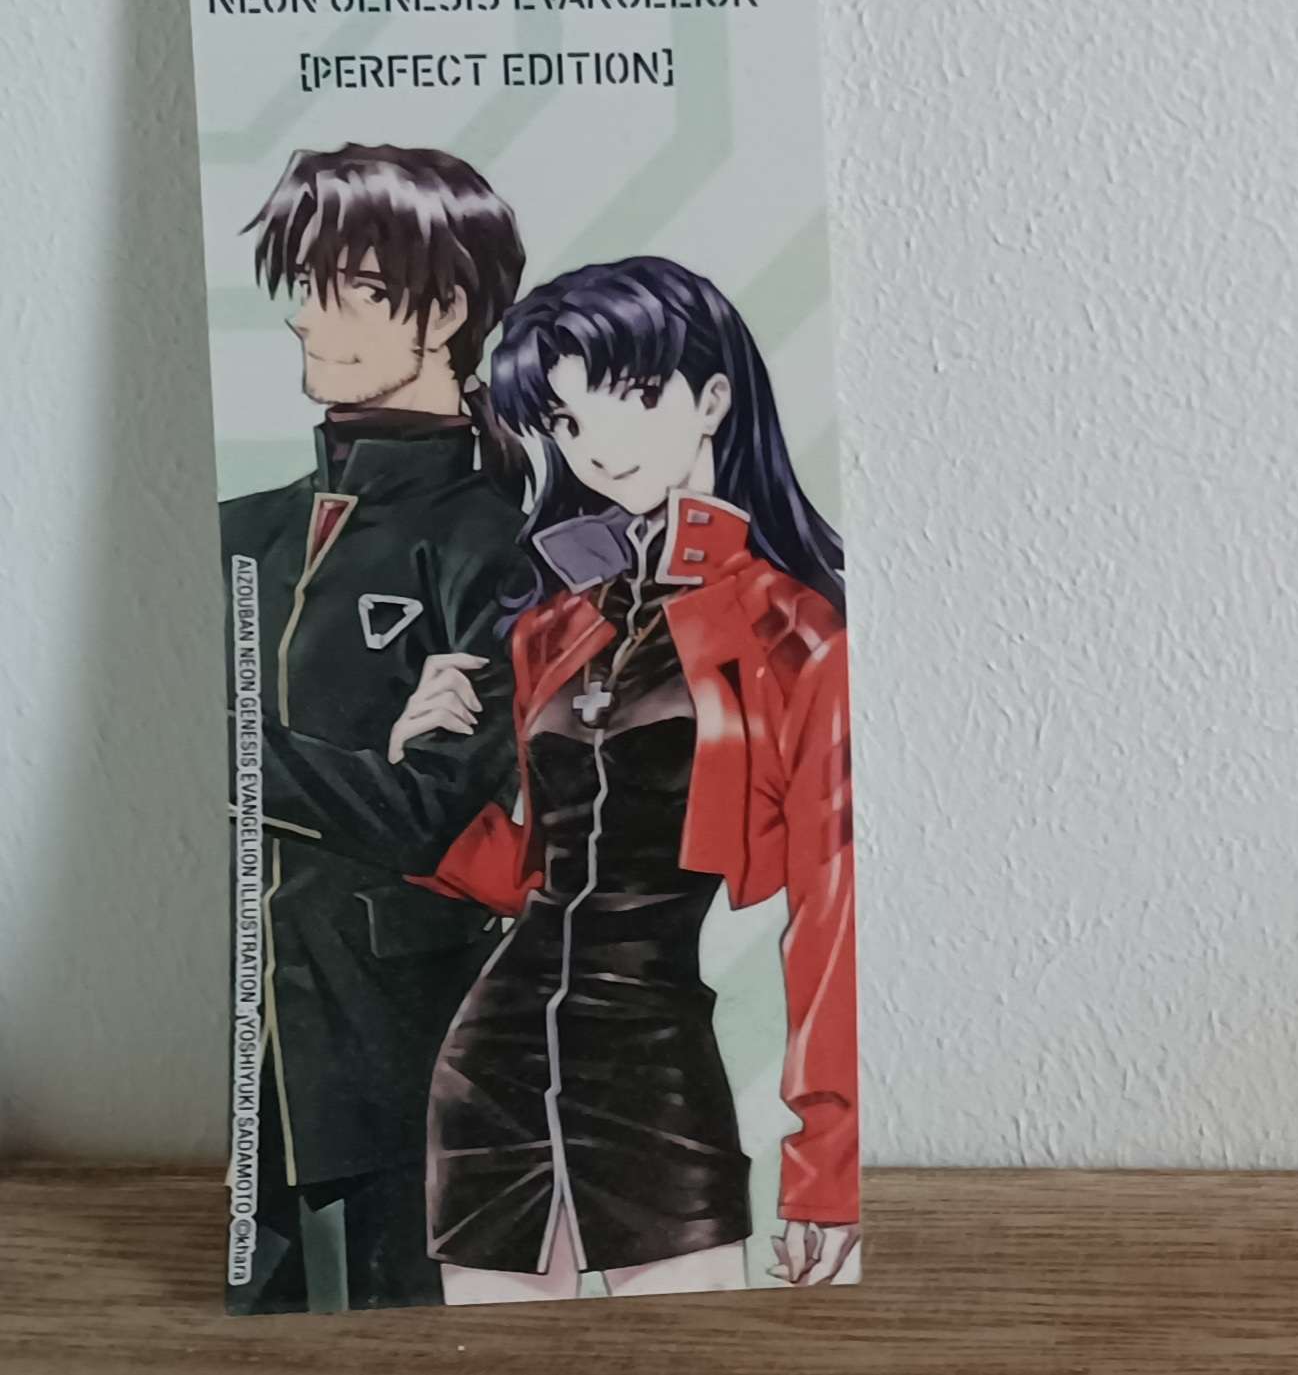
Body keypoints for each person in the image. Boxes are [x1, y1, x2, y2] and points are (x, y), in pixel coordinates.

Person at [402, 255, 859, 1299]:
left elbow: (830, 909)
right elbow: (528, 871)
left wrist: (828, 1164)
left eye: (633, 397)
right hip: (490, 1066)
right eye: (566, 421)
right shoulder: (552, 626)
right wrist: (425, 770)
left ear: (714, 398)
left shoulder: (797, 633)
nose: (599, 444)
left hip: (656, 1057)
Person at [221, 144, 529, 1313]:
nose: (307, 317)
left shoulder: (498, 541)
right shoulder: (240, 529)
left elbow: (428, 809)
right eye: (303, 285)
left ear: (444, 311)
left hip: (392, 1051)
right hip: (234, 1054)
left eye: (351, 287)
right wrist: (346, 771)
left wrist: (237, 751)